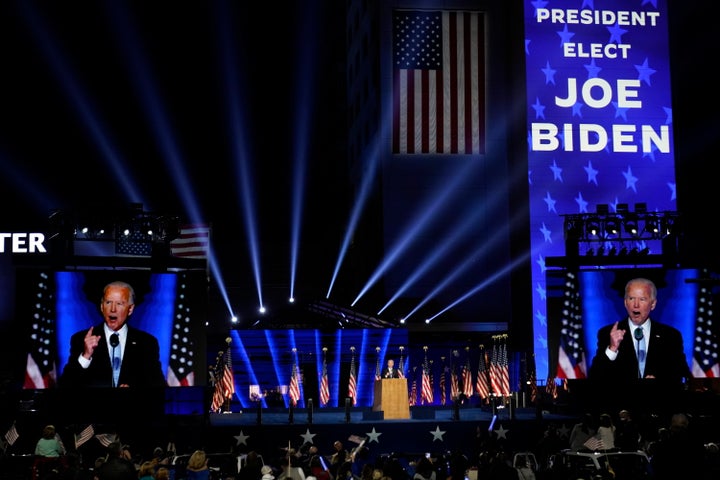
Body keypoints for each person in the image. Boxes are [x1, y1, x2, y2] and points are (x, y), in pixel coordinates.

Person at [589, 278, 691, 392]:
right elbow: (595, 378)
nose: (636, 305)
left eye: (642, 299)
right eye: (631, 298)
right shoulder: (608, 333)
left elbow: (682, 376)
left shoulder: (671, 336)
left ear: (653, 304)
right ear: (625, 302)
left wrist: (659, 382)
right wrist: (612, 349)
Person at [59, 281, 166, 388]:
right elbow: (65, 385)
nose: (113, 309)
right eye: (108, 302)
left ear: (130, 309)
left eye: (119, 303)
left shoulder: (147, 343)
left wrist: (135, 390)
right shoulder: (81, 339)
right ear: (102, 306)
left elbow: (158, 386)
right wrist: (86, 356)